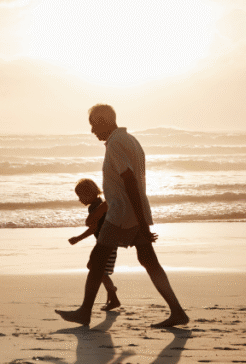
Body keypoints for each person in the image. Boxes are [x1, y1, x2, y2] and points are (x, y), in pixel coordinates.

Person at [56, 104, 189, 328]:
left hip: (121, 215)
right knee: (149, 261)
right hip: (132, 213)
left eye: (93, 125)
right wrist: (136, 218)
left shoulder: (116, 144)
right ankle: (177, 311)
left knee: (97, 260)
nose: (92, 131)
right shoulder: (131, 141)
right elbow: (122, 185)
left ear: (105, 121)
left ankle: (84, 312)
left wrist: (142, 223)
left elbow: (129, 182)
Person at [68, 178, 120, 311]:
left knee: (97, 269)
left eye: (81, 196)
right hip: (106, 242)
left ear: (90, 194)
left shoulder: (96, 207)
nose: (80, 200)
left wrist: (78, 238)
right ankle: (112, 294)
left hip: (106, 243)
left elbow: (93, 228)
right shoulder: (99, 204)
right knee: (95, 267)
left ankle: (112, 294)